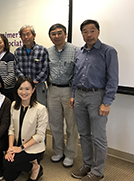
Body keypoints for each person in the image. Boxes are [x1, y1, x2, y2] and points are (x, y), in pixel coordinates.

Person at [69, 20, 118, 181]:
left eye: (92, 31)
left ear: (98, 32)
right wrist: (73, 94)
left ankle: (98, 172)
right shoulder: (79, 52)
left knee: (98, 136)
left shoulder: (108, 51)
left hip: (97, 97)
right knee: (83, 134)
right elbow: (76, 76)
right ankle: (87, 164)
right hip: (80, 97)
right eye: (84, 31)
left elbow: (113, 79)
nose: (88, 34)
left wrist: (107, 102)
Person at [3, 77, 48, 181]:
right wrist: (10, 149)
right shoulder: (14, 105)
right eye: (20, 88)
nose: (23, 92)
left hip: (33, 147)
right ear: (17, 90)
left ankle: (35, 167)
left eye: (27, 89)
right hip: (17, 145)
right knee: (8, 176)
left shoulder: (41, 109)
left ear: (33, 89)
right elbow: (11, 129)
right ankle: (30, 164)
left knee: (8, 162)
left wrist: (20, 148)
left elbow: (40, 136)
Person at [47, 23, 78, 167]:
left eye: (60, 33)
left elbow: (78, 74)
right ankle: (58, 151)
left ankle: (70, 154)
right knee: (54, 123)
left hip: (69, 91)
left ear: (65, 35)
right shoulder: (48, 52)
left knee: (71, 125)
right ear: (50, 37)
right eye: (53, 34)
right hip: (52, 90)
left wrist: (74, 93)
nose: (57, 36)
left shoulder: (75, 50)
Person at [14, 25, 48, 106]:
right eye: (23, 35)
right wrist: (26, 82)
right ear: (21, 37)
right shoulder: (18, 52)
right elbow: (16, 68)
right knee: (24, 109)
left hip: (38, 86)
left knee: (40, 110)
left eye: (28, 34)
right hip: (23, 88)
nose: (26, 37)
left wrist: (34, 81)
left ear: (34, 35)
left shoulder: (42, 50)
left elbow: (45, 69)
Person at [0, 33, 16, 102]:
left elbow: (12, 75)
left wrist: (1, 85)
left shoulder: (10, 56)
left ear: (5, 43)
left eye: (0, 42)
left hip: (8, 91)